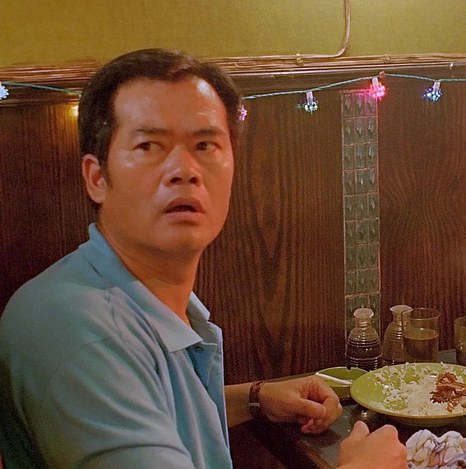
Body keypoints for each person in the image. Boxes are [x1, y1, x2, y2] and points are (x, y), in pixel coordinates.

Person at [0, 48, 406, 468]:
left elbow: (152, 407)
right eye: (148, 145)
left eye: (205, 144)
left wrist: (253, 399)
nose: (184, 169)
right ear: (97, 177)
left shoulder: (123, 296)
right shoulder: (78, 335)